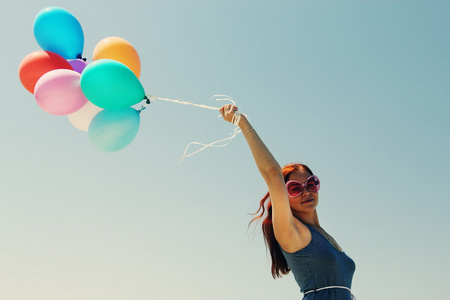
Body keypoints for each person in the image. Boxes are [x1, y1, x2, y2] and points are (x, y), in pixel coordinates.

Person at [220, 104, 356, 300]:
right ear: (284, 196)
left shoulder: (323, 235)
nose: (306, 192)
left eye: (311, 183)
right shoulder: (291, 231)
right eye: (295, 188)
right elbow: (273, 173)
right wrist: (241, 122)